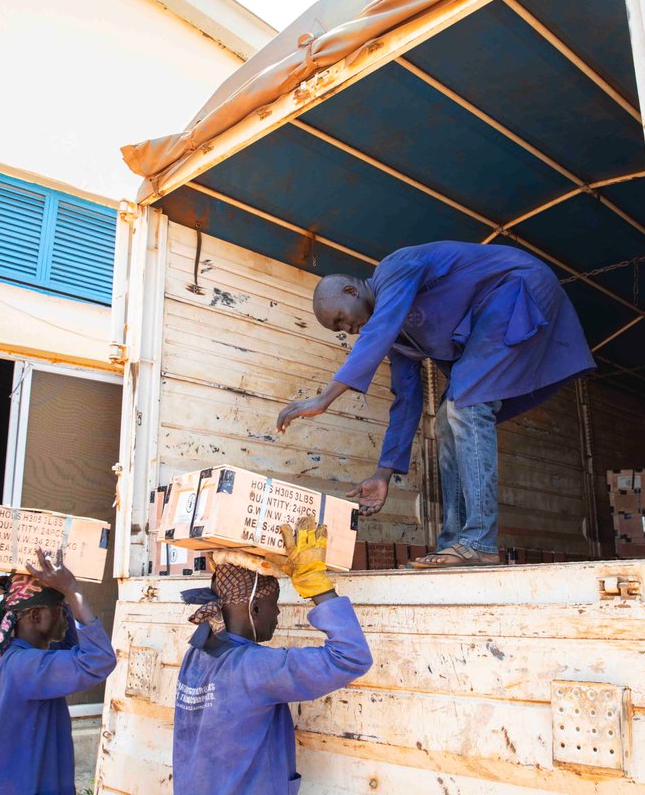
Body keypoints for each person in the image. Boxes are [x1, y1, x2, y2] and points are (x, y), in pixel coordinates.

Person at [278, 241, 594, 568]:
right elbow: (405, 401)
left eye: (341, 320)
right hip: (491, 315)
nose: (347, 330)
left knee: (466, 407)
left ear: (351, 290)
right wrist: (383, 474)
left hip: (515, 289)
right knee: (445, 419)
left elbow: (379, 330)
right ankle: (455, 542)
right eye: (338, 329)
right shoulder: (399, 341)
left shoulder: (395, 268)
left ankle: (478, 541)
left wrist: (324, 398)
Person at [172, 516, 373, 795]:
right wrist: (316, 584)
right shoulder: (257, 668)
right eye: (273, 604)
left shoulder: (196, 654)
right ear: (254, 608)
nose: (277, 613)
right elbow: (351, 656)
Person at [0, 548, 117, 795]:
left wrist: (62, 591)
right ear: (35, 616)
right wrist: (72, 589)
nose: (65, 614)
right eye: (59, 607)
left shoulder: (12, 656)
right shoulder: (27, 666)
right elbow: (99, 659)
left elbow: (71, 644)